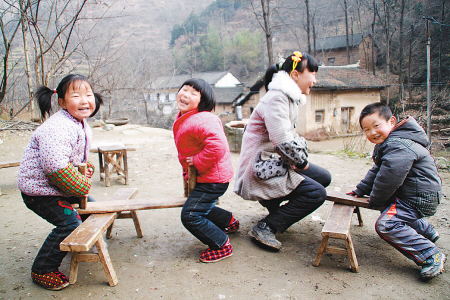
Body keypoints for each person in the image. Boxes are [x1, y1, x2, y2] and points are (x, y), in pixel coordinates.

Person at [233, 51, 331, 250]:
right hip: (260, 167)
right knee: (316, 193)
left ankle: (273, 205)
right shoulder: (277, 98)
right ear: (296, 75)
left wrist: (299, 160)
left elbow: (289, 140)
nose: (314, 79)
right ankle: (267, 226)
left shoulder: (288, 98)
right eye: (312, 73)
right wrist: (301, 162)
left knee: (323, 177)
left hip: (274, 160)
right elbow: (284, 143)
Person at [17, 74, 103, 290]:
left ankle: (78, 244)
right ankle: (43, 268)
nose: (84, 100)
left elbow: (72, 156)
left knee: (91, 208)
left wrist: (85, 166)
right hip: (39, 191)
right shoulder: (58, 127)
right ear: (62, 102)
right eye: (76, 95)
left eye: (88, 94)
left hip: (57, 187)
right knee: (69, 223)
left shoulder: (79, 123)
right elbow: (55, 168)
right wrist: (81, 183)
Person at [347, 102, 445, 280]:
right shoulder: (392, 142)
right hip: (416, 194)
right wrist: (361, 189)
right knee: (391, 208)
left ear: (391, 122)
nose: (372, 133)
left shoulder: (398, 145)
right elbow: (378, 171)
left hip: (418, 197)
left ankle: (430, 254)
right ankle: (426, 231)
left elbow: (389, 178)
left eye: (377, 126)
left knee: (386, 224)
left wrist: (375, 200)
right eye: (366, 129)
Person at [173, 78, 238, 263]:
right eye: (184, 89)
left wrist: (196, 162)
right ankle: (228, 221)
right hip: (208, 176)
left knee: (191, 215)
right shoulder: (188, 117)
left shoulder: (202, 119)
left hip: (212, 180)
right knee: (199, 206)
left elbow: (218, 147)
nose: (186, 94)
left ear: (203, 102)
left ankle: (221, 244)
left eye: (194, 93)